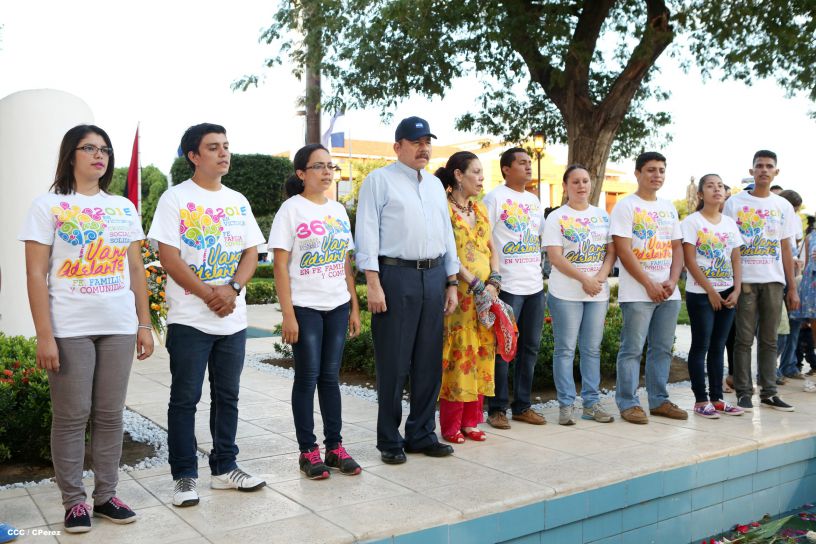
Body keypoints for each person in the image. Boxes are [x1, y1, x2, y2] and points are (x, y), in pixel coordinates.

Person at [19, 125, 154, 532]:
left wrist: (143, 323)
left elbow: (135, 268)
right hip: (70, 327)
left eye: (105, 150)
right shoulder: (48, 206)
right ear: (70, 155)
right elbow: (35, 274)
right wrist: (45, 336)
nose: (100, 156)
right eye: (90, 148)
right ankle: (74, 502)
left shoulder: (123, 208)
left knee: (111, 415)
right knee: (72, 416)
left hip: (117, 324)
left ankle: (107, 496)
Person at [148, 123, 266, 507]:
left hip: (232, 318)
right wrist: (208, 294)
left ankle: (224, 468)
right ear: (193, 156)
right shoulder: (175, 199)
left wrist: (231, 290)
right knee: (185, 399)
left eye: (226, 146)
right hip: (189, 318)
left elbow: (251, 252)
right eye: (213, 147)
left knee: (227, 397)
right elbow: (169, 257)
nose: (223, 153)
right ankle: (184, 477)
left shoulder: (238, 200)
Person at [355, 116, 459, 464]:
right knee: (394, 362)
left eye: (427, 141)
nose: (423, 148)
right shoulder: (379, 181)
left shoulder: (433, 185)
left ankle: (421, 434)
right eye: (415, 142)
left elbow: (447, 235)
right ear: (398, 146)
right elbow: (367, 232)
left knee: (428, 360)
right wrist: (373, 282)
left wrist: (452, 281)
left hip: (432, 276)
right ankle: (389, 440)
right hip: (395, 276)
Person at [269, 144, 362, 478]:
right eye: (318, 166)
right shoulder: (290, 211)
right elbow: (280, 266)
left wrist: (354, 307)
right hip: (305, 307)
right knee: (307, 378)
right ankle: (308, 451)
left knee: (330, 378)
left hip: (336, 305)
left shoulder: (337, 211)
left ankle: (335, 448)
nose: (326, 172)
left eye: (330, 166)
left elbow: (345, 264)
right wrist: (289, 314)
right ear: (301, 173)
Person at [610, 151, 687, 424]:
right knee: (632, 349)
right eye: (651, 170)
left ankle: (659, 400)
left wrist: (672, 279)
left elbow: (677, 247)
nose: (657, 175)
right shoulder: (625, 206)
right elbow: (623, 250)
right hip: (637, 292)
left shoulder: (668, 207)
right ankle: (628, 403)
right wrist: (648, 283)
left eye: (661, 170)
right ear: (638, 174)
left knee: (662, 349)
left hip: (668, 291)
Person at [723, 150, 800, 412]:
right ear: (752, 171)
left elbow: (786, 248)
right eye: (759, 166)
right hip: (744, 280)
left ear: (776, 172)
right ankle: (744, 392)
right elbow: (730, 245)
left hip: (773, 281)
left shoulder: (783, 206)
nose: (764, 170)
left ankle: (769, 391)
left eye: (769, 166)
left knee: (770, 340)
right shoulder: (734, 203)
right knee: (743, 339)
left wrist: (792, 287)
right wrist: (733, 282)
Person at [543, 165, 616, 425]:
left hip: (597, 292)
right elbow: (555, 257)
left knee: (591, 350)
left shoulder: (603, 216)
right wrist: (585, 278)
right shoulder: (557, 217)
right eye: (575, 181)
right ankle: (565, 406)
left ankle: (591, 404)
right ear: (565, 186)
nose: (582, 186)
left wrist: (600, 277)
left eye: (585, 181)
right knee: (565, 350)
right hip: (566, 294)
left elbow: (611, 252)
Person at [434, 151, 498, 443]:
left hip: (485, 296)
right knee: (459, 355)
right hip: (458, 294)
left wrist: (494, 280)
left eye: (482, 173)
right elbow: (448, 251)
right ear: (458, 175)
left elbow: (491, 247)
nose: (481, 178)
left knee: (483, 353)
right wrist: (472, 281)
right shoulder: (443, 209)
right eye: (476, 172)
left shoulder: (481, 208)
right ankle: (451, 425)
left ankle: (472, 421)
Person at [482, 148, 547, 428]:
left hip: (533, 286)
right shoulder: (494, 198)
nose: (528, 167)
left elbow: (538, 238)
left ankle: (522, 406)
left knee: (530, 347)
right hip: (507, 286)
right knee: (503, 347)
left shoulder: (534, 201)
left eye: (529, 163)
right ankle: (497, 409)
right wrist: (492, 281)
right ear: (506, 169)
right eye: (522, 163)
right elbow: (484, 240)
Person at [680, 174, 745, 418]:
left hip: (728, 292)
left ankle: (717, 398)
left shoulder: (729, 223)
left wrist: (737, 289)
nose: (716, 189)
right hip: (701, 294)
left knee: (718, 347)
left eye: (720, 186)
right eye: (710, 186)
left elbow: (736, 258)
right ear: (700, 194)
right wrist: (710, 291)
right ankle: (700, 400)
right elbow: (690, 260)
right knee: (701, 346)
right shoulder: (692, 222)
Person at [777, 189, 805, 382]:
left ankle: (788, 365)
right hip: (778, 279)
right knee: (779, 329)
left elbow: (794, 247)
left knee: (792, 324)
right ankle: (772, 370)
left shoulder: (792, 219)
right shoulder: (776, 216)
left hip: (792, 279)